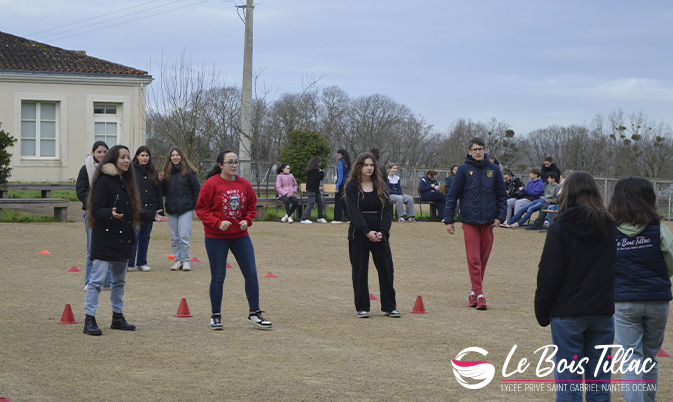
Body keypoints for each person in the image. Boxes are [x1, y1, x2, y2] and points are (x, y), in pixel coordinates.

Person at [534, 171, 616, 401]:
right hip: (601, 309)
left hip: (568, 312)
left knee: (568, 382)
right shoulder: (610, 226)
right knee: (599, 382)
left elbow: (549, 273)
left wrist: (542, 309)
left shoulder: (560, 227)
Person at [608, 177, 673, 402]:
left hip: (624, 301)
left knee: (631, 359)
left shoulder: (609, 231)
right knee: (650, 357)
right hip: (657, 300)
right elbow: (671, 260)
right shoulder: (660, 229)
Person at [195, 150, 272, 330]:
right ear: (220, 165)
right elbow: (201, 209)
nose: (234, 165)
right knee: (218, 276)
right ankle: (215, 315)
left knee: (251, 274)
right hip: (216, 237)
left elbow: (252, 206)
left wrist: (248, 219)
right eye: (230, 162)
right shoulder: (210, 184)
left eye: (236, 162)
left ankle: (254, 313)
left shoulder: (244, 184)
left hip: (240, 236)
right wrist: (217, 222)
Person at [444, 137, 507, 311]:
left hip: (488, 222)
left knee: (483, 259)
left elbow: (502, 196)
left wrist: (500, 216)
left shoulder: (494, 170)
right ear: (469, 152)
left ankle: (473, 292)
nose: (478, 152)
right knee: (473, 259)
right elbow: (452, 196)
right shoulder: (463, 170)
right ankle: (480, 294)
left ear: (485, 150)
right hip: (470, 221)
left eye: (481, 148)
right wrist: (449, 220)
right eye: (474, 149)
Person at [83, 145, 140, 336]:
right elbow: (96, 209)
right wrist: (110, 213)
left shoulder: (126, 181)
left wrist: (151, 216)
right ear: (113, 159)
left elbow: (131, 211)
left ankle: (117, 317)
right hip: (105, 238)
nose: (126, 160)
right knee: (97, 281)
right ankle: (89, 319)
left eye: (127, 157)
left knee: (119, 281)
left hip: (122, 239)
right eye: (122, 157)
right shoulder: (104, 181)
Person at [346, 152, 399, 318]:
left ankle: (390, 307)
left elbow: (387, 211)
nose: (369, 168)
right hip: (359, 234)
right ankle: (362, 307)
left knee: (386, 270)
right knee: (360, 271)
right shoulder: (352, 186)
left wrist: (382, 231)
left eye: (371, 165)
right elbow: (353, 212)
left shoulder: (381, 185)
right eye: (366, 165)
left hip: (380, 235)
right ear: (359, 167)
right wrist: (367, 231)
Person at [76, 141, 112, 291]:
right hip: (91, 212)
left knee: (109, 246)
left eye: (105, 152)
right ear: (93, 153)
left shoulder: (111, 170)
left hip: (108, 212)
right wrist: (91, 203)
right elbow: (81, 190)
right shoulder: (86, 169)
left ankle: (107, 281)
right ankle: (90, 281)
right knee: (92, 247)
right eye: (99, 152)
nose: (102, 155)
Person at [127, 146, 168, 272]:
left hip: (150, 210)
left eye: (147, 156)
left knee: (145, 237)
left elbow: (158, 191)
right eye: (142, 155)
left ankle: (142, 262)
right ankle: (130, 263)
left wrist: (160, 209)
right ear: (137, 156)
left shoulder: (153, 172)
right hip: (136, 209)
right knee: (134, 236)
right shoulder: (131, 171)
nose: (145, 158)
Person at [162, 147, 200, 271]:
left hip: (186, 208)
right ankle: (177, 260)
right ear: (169, 158)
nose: (175, 157)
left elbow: (196, 190)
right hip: (172, 209)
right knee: (174, 238)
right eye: (173, 155)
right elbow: (162, 191)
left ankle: (186, 260)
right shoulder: (166, 174)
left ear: (181, 157)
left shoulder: (189, 172)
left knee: (184, 236)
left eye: (177, 155)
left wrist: (196, 208)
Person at [300, 157, 328, 224]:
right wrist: (321, 172)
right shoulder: (315, 171)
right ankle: (304, 218)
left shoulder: (309, 170)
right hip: (312, 190)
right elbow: (320, 177)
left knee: (320, 203)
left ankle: (320, 217)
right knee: (311, 204)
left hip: (315, 190)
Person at [332, 149, 352, 224]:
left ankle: (338, 218)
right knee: (345, 201)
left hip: (341, 184)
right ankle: (350, 218)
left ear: (341, 154)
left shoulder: (341, 163)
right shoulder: (348, 162)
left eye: (338, 154)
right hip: (347, 183)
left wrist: (337, 187)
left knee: (338, 201)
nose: (337, 155)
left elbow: (340, 176)